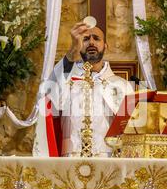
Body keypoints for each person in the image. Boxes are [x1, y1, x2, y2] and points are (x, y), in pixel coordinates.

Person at [46, 21, 133, 157]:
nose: (91, 42)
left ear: (105, 46)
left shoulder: (121, 86)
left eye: (96, 38)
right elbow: (49, 95)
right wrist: (72, 50)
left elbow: (131, 130)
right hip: (70, 159)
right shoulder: (66, 79)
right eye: (85, 39)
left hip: (109, 160)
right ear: (79, 45)